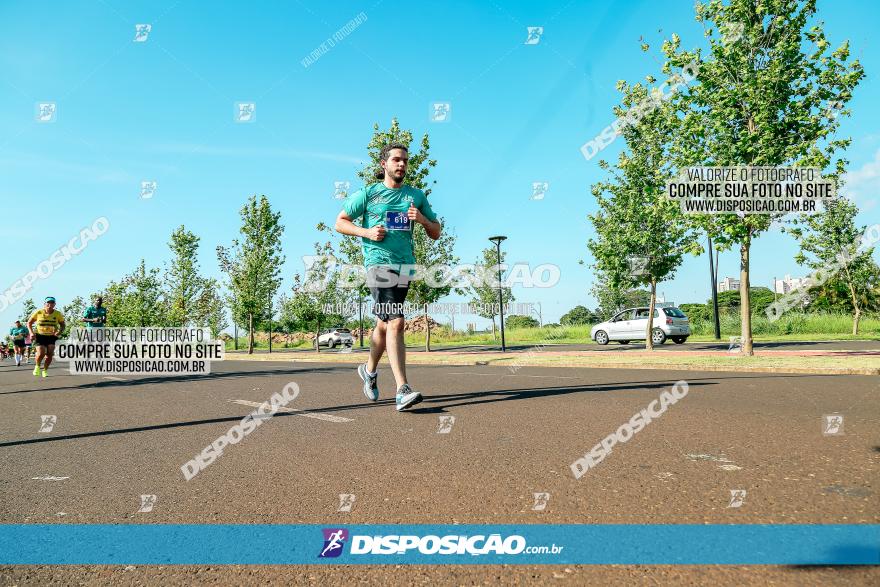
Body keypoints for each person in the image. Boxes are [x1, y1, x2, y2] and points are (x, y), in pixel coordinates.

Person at [334, 143, 442, 411]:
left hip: (405, 265)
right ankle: (402, 389)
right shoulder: (368, 194)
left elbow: (436, 231)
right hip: (377, 264)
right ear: (384, 164)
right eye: (396, 160)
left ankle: (369, 371)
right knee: (396, 321)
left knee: (383, 324)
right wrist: (367, 233)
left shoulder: (416, 196)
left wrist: (423, 221)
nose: (401, 164)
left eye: (405, 160)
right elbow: (340, 222)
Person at [26, 296, 65, 378]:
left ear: (54, 304)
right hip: (40, 335)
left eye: (52, 303)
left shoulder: (57, 314)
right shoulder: (39, 312)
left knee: (50, 354)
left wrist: (59, 331)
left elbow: (62, 325)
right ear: (45, 304)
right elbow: (29, 323)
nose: (50, 304)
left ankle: (45, 370)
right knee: (41, 353)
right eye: (48, 302)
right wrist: (31, 333)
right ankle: (37, 366)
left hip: (51, 336)